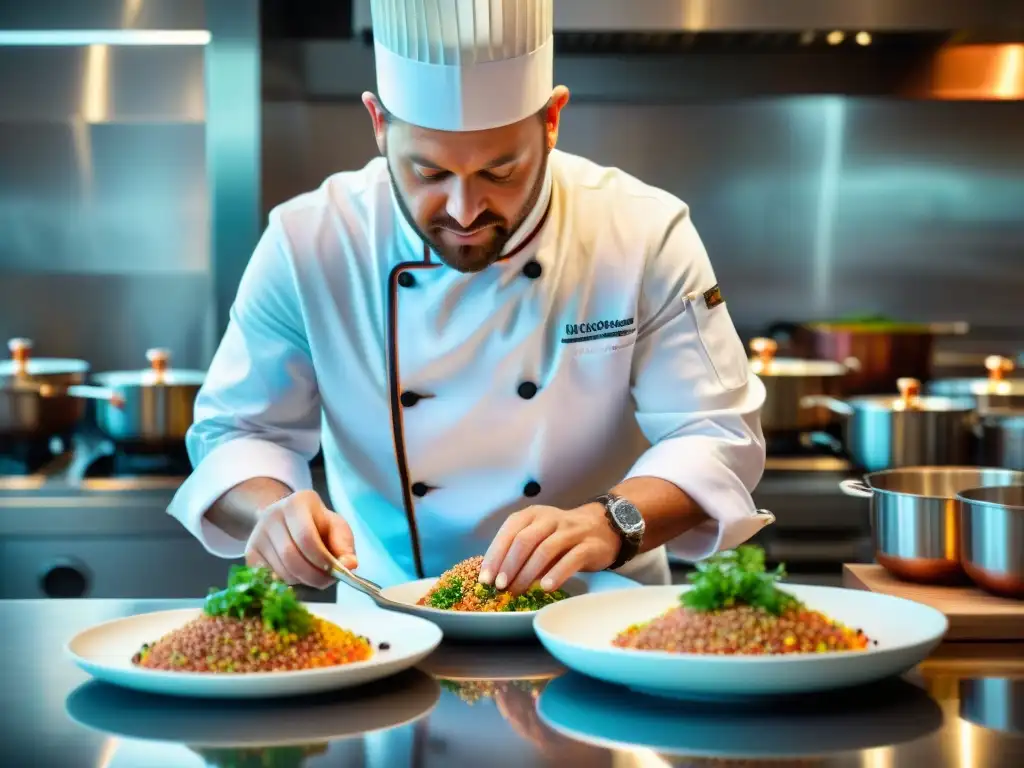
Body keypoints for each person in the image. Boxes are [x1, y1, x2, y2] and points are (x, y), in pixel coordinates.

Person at [167, 0, 771, 597]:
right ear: (378, 123)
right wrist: (274, 511)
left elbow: (716, 431)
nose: (464, 210)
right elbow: (238, 431)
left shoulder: (640, 231)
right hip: (390, 621)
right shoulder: (310, 242)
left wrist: (609, 522)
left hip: (600, 618)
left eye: (500, 172)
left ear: (553, 119)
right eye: (428, 174)